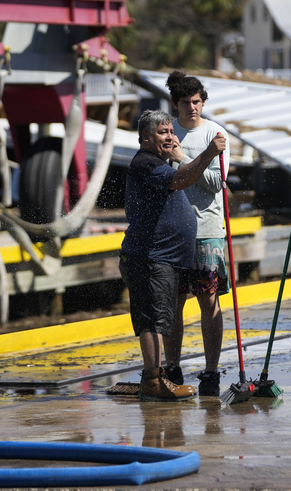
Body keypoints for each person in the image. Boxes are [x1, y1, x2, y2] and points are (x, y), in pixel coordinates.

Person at [120, 108, 227, 401]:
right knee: (152, 321)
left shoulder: (159, 161)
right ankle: (154, 381)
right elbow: (182, 180)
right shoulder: (145, 164)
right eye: (162, 132)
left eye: (171, 131)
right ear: (145, 137)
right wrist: (208, 153)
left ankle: (157, 378)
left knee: (161, 318)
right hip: (149, 258)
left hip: (164, 259)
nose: (170, 137)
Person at [162, 71, 231, 397]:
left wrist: (183, 159)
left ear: (203, 102)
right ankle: (172, 367)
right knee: (173, 304)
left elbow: (216, 183)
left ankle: (211, 371)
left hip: (206, 232)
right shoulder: (166, 133)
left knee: (209, 301)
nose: (192, 107)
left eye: (196, 101)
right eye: (185, 102)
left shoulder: (215, 135)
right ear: (175, 104)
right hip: (172, 234)